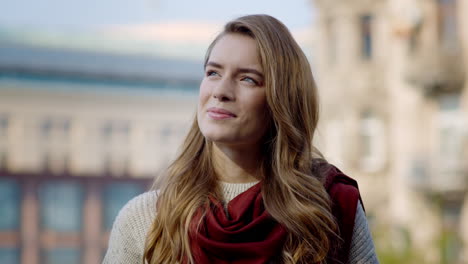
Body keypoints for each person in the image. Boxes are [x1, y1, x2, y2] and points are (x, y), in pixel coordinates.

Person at [103, 14, 379, 264]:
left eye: (247, 79)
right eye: (213, 72)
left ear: (281, 101)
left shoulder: (330, 209)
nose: (220, 91)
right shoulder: (145, 220)